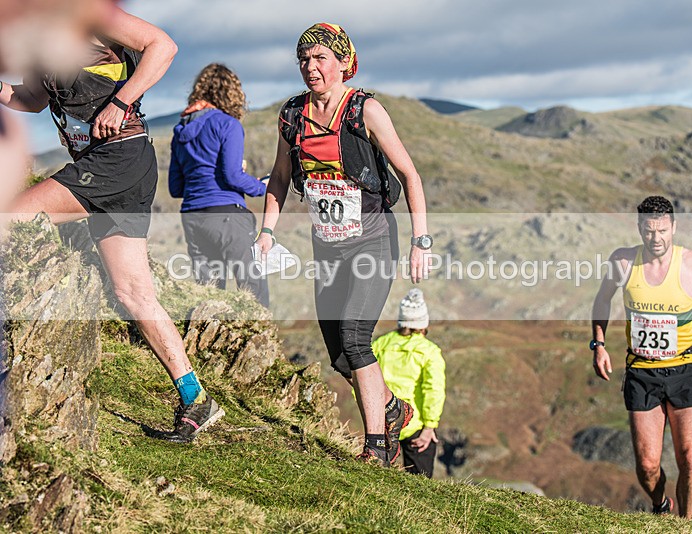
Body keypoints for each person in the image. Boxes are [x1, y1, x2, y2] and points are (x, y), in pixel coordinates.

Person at [0, 6, 224, 443]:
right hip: (114, 165)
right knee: (133, 294)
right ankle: (195, 397)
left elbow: (164, 45)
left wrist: (121, 101)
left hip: (118, 159)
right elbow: (31, 99)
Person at [256, 22, 433, 466]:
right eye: (304, 59)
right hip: (328, 247)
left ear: (342, 63)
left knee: (356, 339)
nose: (310, 67)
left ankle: (376, 446)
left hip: (373, 240)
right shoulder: (292, 115)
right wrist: (267, 231)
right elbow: (279, 178)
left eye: (320, 59)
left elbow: (410, 175)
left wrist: (421, 241)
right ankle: (392, 409)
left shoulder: (364, 109)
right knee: (338, 355)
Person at [590, 195, 692, 518]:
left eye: (663, 230)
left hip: (685, 369)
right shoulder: (623, 262)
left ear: (674, 228)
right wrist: (598, 344)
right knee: (648, 465)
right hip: (642, 371)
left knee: (689, 457)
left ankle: (687, 526)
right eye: (650, 231)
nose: (656, 238)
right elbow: (601, 301)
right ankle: (660, 505)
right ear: (639, 229)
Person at [169, 63, 269, 308]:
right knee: (252, 287)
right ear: (231, 94)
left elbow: (175, 188)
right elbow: (233, 176)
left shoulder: (180, 131)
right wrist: (263, 187)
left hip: (192, 216)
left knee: (208, 292)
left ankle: (207, 343)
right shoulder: (228, 125)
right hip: (226, 214)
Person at [372, 289, 445, 477]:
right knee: (420, 485)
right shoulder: (429, 351)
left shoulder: (380, 344)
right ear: (423, 323)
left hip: (383, 421)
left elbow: (364, 379)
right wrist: (429, 426)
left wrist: (370, 412)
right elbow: (433, 390)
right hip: (416, 425)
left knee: (379, 478)